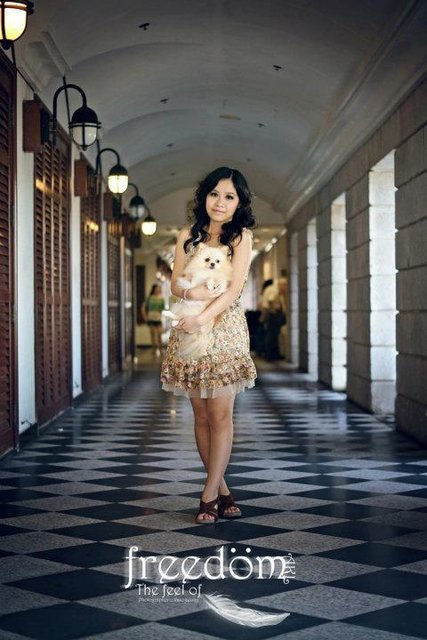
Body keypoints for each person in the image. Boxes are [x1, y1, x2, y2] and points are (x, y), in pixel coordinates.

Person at [160, 166, 257, 524]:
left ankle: (208, 494)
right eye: (215, 193)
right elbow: (175, 283)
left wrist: (203, 318)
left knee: (220, 416)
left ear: (238, 203)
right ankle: (222, 489)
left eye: (229, 196)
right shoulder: (188, 235)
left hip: (224, 330)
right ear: (205, 196)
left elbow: (234, 290)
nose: (220, 202)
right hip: (188, 328)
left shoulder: (240, 237)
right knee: (200, 415)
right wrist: (192, 294)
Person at [142, 284, 165, 356]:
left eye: (158, 289)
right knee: (153, 335)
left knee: (159, 335)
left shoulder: (161, 299)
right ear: (153, 289)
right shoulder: (149, 298)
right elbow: (143, 307)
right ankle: (154, 350)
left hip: (158, 318)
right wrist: (145, 316)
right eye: (156, 288)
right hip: (151, 318)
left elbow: (162, 310)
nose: (157, 290)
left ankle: (161, 349)